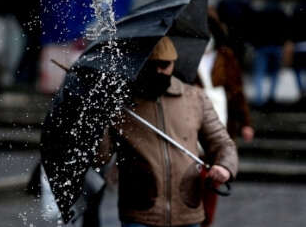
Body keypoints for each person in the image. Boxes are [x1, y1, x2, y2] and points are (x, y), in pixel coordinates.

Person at [99, 36, 238, 227]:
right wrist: (99, 121)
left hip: (187, 210)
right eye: (152, 64)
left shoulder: (194, 97)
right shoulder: (121, 102)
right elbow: (100, 156)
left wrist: (225, 166)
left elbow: (221, 142)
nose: (158, 71)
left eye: (164, 65)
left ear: (173, 63)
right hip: (140, 212)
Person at [196, 13, 254, 227]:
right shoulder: (187, 57)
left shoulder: (225, 56)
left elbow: (237, 91)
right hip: (194, 117)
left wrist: (245, 122)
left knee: (215, 167)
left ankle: (206, 220)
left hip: (221, 116)